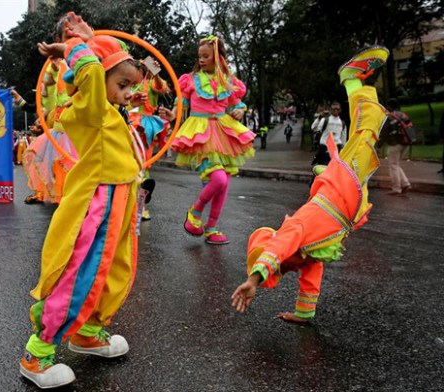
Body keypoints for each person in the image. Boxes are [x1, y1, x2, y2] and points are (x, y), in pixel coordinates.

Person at [19, 13, 146, 389]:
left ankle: (88, 332)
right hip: (99, 203)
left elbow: (100, 78)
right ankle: (37, 353)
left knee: (114, 268)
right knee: (81, 273)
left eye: (130, 87)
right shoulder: (86, 108)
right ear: (97, 80)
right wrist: (77, 46)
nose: (127, 93)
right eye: (122, 84)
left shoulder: (107, 109)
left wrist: (100, 53)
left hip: (120, 199)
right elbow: (89, 75)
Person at [231, 46, 390, 323]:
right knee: (366, 135)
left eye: (278, 268)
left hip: (340, 188)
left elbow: (278, 247)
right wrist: (303, 314)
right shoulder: (305, 257)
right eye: (279, 271)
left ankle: (350, 77)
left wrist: (254, 279)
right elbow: (311, 278)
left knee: (367, 131)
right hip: (345, 200)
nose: (284, 270)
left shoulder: (292, 232)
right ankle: (324, 169)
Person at [163, 35, 255, 245]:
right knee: (218, 179)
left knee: (223, 184)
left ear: (218, 57)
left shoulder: (228, 81)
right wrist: (173, 115)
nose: (202, 60)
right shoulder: (191, 79)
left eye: (206, 56)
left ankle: (212, 227)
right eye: (200, 56)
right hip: (200, 133)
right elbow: (181, 104)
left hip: (224, 133)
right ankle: (194, 213)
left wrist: (240, 111)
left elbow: (237, 104)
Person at [20, 14, 78, 205]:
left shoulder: (93, 61)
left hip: (88, 129)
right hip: (64, 129)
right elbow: (48, 101)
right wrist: (53, 70)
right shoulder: (54, 68)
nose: (74, 40)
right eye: (68, 37)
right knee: (63, 173)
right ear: (58, 41)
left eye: (78, 34)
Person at [129, 57, 170, 221]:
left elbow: (162, 88)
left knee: (144, 164)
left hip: (147, 125)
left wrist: (156, 73)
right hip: (130, 122)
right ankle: (127, 204)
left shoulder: (152, 82)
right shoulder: (131, 82)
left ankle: (140, 207)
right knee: (129, 162)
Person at [379, 98, 412, 195]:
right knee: (396, 164)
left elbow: (384, 132)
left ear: (389, 106)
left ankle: (396, 188)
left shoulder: (389, 117)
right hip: (405, 143)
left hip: (395, 144)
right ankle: (405, 184)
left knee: (393, 165)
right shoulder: (403, 115)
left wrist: (380, 144)